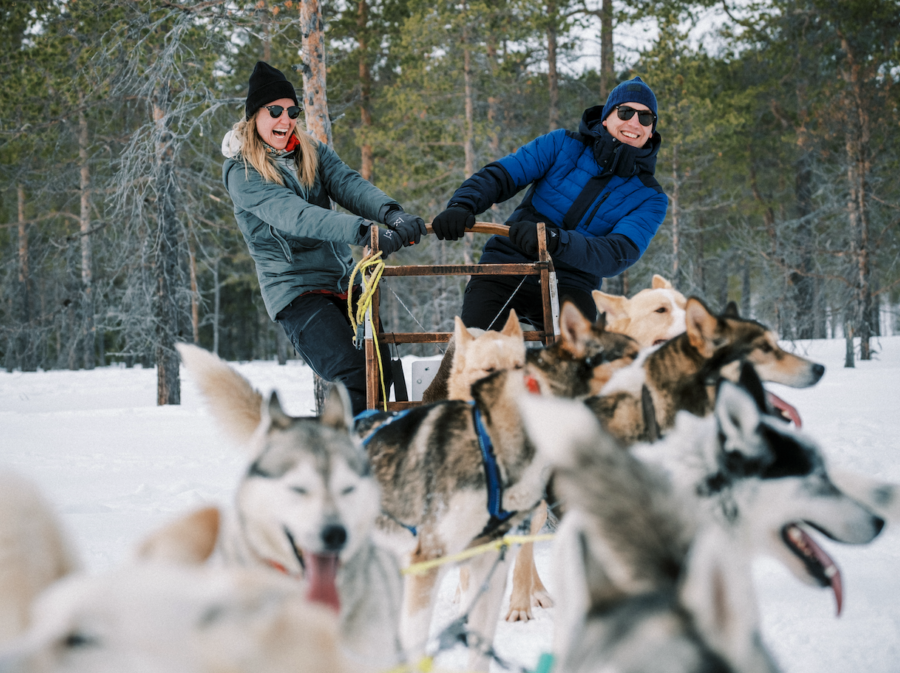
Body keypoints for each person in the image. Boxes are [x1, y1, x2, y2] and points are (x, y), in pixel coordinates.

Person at [221, 62, 426, 415]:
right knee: (355, 372)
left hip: (343, 282)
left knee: (386, 372)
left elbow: (347, 184)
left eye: (291, 111)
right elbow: (296, 216)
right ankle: (350, 457)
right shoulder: (242, 172)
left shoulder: (309, 150)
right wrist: (365, 230)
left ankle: (379, 451)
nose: (285, 120)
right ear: (254, 115)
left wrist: (392, 213)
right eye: (274, 111)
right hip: (296, 291)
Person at [431, 77, 668, 330]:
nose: (634, 122)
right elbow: (502, 176)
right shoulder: (561, 144)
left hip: (572, 282)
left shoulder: (651, 197)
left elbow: (617, 254)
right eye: (625, 112)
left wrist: (555, 240)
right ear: (606, 118)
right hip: (507, 262)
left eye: (645, 117)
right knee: (477, 347)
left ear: (651, 130)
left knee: (578, 356)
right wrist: (462, 205)